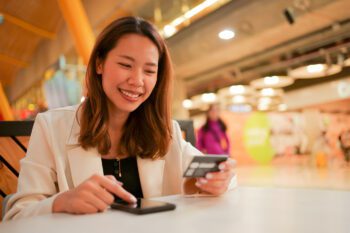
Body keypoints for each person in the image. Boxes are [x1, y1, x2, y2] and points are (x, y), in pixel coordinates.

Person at [4, 17, 236, 220]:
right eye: (126, 65)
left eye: (149, 71)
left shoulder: (166, 132)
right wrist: (61, 202)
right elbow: (18, 215)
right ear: (99, 64)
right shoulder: (51, 127)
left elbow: (222, 177)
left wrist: (218, 180)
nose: (137, 80)